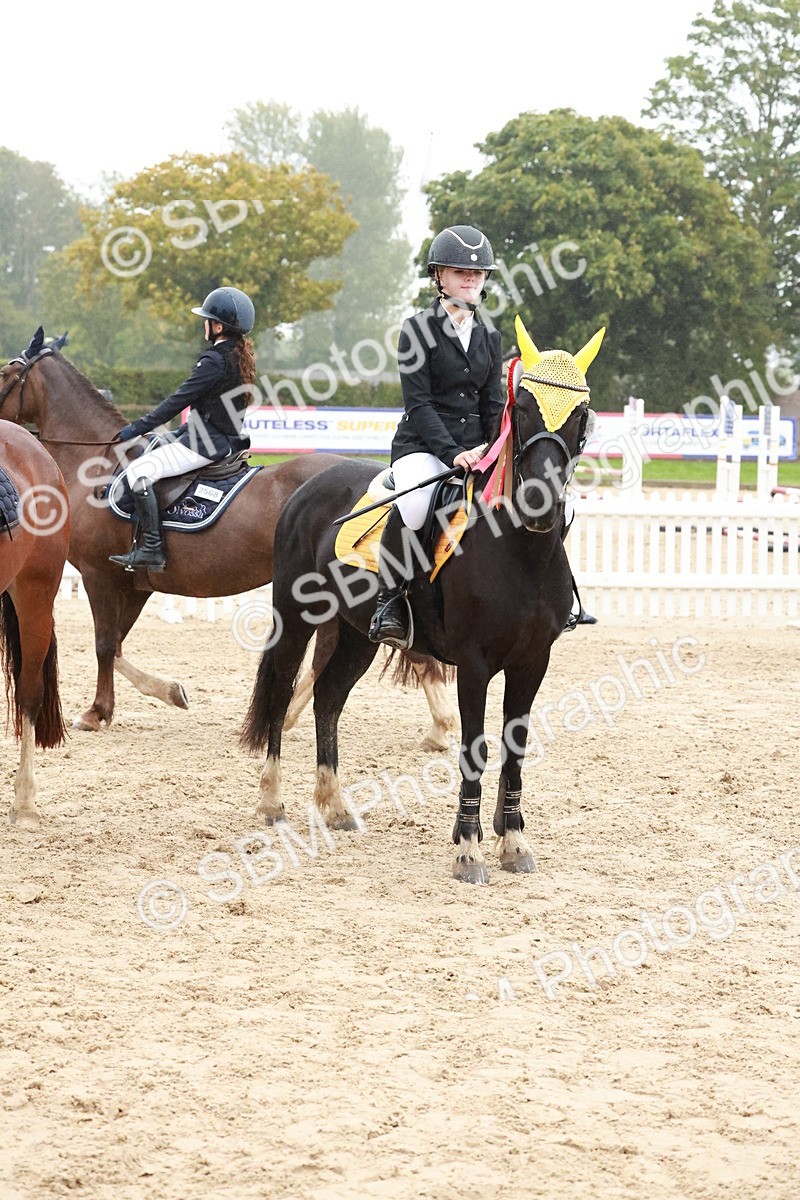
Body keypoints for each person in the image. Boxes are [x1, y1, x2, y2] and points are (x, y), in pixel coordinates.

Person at [368, 225, 503, 648]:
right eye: (461, 271)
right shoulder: (416, 330)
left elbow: (493, 404)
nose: (470, 278)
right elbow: (419, 404)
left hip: (478, 447)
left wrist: (497, 447)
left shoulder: (490, 337)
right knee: (414, 506)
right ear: (439, 276)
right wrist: (453, 454)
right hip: (423, 446)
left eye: (477, 273)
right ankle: (390, 601)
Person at [109, 286, 256, 572]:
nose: (204, 325)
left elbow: (178, 400)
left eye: (207, 320)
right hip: (217, 437)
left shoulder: (214, 360)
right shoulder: (237, 357)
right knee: (157, 446)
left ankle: (152, 549)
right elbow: (212, 408)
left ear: (217, 326)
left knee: (139, 472)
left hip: (206, 443)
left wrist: (137, 427)